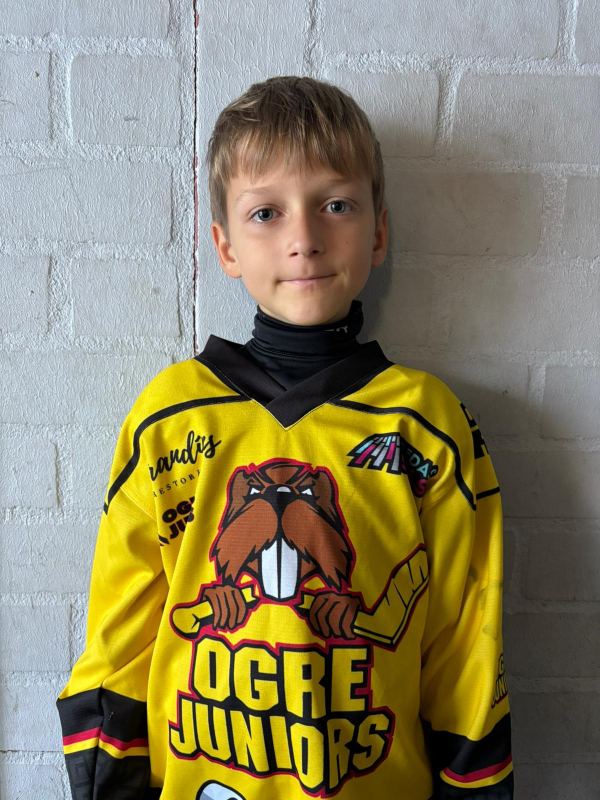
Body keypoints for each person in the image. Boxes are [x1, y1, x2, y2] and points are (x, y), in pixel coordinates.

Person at [56, 75, 513, 800]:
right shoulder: (170, 417)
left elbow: (465, 644)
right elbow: (121, 635)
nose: (304, 239)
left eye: (336, 205)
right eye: (266, 212)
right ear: (225, 246)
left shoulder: (426, 424)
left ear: (379, 233)